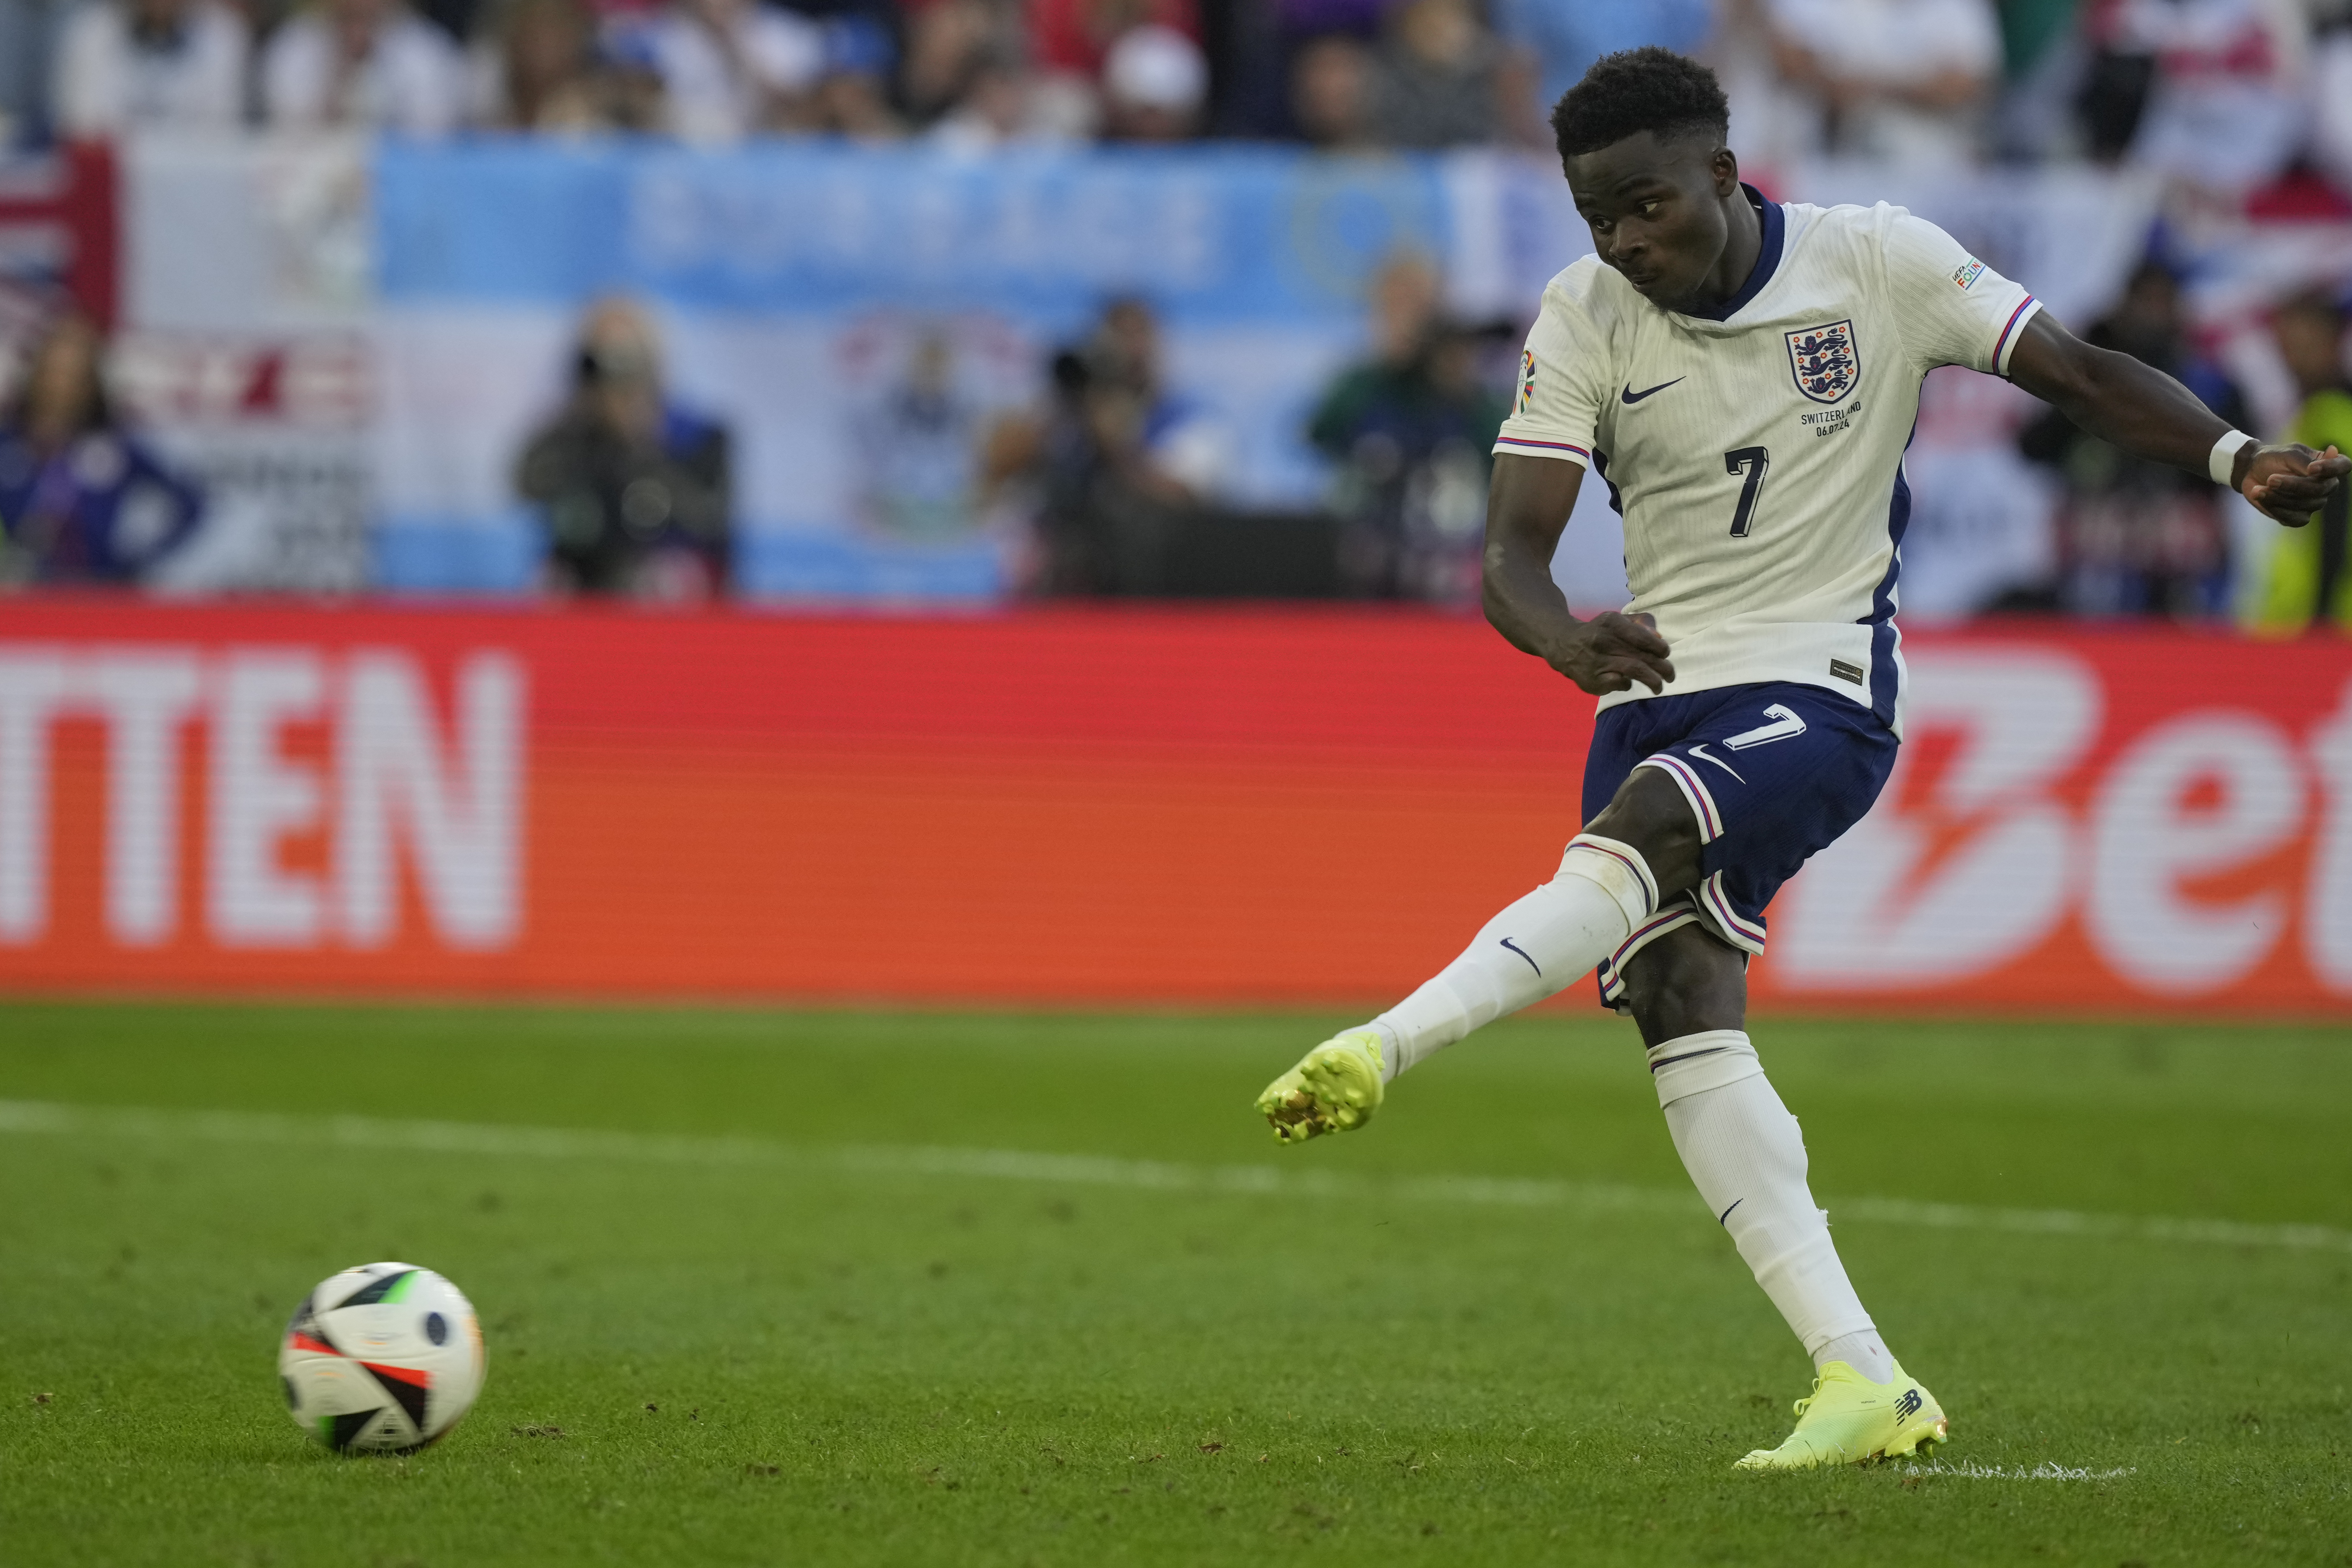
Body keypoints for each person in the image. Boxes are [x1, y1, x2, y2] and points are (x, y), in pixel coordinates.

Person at [1250, 46, 2347, 1471]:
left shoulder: (1875, 263)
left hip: (1818, 685)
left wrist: (2230, 459)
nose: (1623, 243)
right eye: (1596, 219)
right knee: (1675, 997)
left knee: (1643, 836)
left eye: (1644, 207)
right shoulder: (1583, 314)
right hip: (1645, 686)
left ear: (1721, 168)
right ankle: (1862, 1382)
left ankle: (1383, 1043)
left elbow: (2071, 376)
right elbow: (1508, 557)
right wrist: (1565, 642)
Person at [2018, 260, 2250, 617]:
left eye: (2162, 303)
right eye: (2144, 303)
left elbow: (2244, 459)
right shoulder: (2089, 385)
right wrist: (2084, 363)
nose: (2152, 318)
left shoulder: (2211, 386)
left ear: (2179, 312)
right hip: (2098, 568)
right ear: (2122, 311)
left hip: (2185, 571)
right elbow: (2032, 446)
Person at [513, 298, 731, 599]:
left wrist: (643, 443)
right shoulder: (569, 435)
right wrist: (583, 425)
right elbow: (526, 485)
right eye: (601, 360)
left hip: (666, 584)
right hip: (581, 579)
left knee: (672, 578)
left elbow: (707, 518)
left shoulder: (697, 436)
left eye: (626, 360)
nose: (614, 378)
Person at [0, 313, 203, 585]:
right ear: (35, 374)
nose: (62, 386)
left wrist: (135, 562)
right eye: (54, 372)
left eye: (76, 375)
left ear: (93, 383)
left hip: (96, 592)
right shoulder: (9, 444)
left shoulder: (115, 446)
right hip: (21, 592)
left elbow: (191, 503)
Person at [2251, 289, 2352, 633]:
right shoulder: (2307, 414)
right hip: (2296, 620)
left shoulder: (2329, 417)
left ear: (2332, 342)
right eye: (2286, 346)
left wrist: (2320, 618)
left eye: (2304, 345)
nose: (2292, 357)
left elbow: (2334, 524)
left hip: (2317, 623)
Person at [261, 0, 467, 135]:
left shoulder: (427, 48)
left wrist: (379, 58)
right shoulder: (294, 43)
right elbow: (288, 129)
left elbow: (435, 134)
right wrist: (340, 68)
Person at [52, 0, 250, 138]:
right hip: (115, 182)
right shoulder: (91, 34)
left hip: (193, 178)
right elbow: (85, 130)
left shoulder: (223, 36)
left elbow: (223, 130)